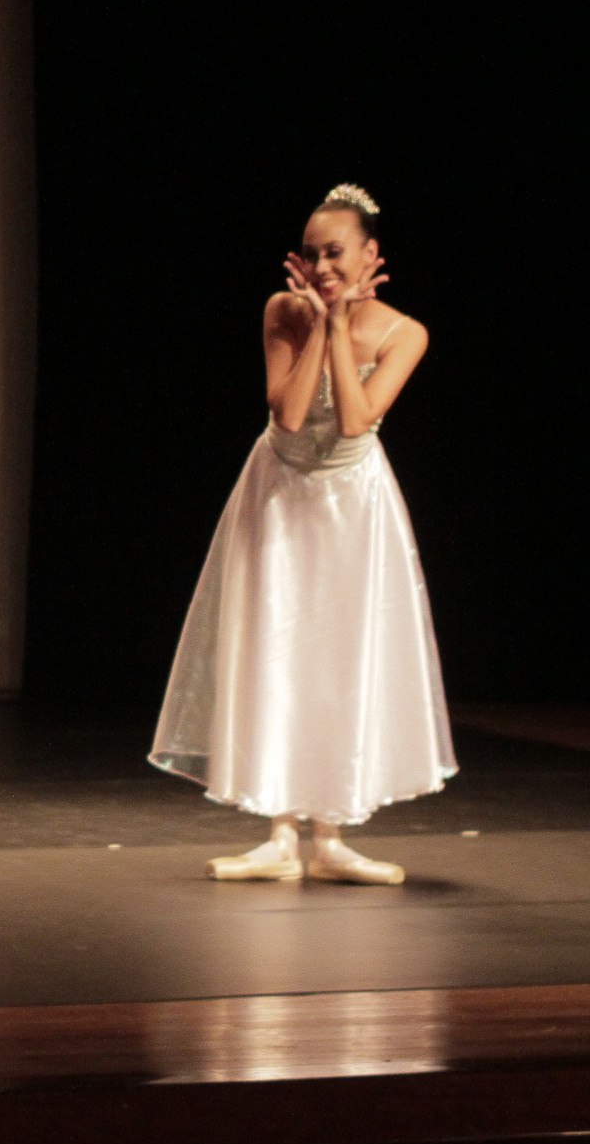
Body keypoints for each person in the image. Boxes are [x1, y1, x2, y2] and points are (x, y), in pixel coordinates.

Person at [150, 183, 450, 884]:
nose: (321, 267)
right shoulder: (283, 311)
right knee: (273, 647)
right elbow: (287, 416)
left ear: (371, 254)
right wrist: (319, 324)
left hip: (353, 504)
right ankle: (279, 831)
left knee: (343, 659)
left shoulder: (406, 333)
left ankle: (332, 834)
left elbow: (354, 419)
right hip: (281, 493)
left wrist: (344, 328)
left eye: (335, 253)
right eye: (312, 254)